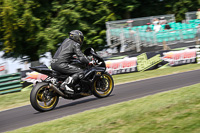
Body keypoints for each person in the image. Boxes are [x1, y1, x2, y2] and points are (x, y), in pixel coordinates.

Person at [51, 30, 90, 94]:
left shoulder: (65, 41)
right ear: (77, 37)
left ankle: (59, 83)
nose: (81, 40)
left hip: (53, 63)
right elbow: (81, 57)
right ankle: (65, 85)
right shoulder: (75, 44)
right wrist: (87, 62)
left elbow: (65, 53)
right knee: (79, 71)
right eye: (81, 38)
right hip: (61, 64)